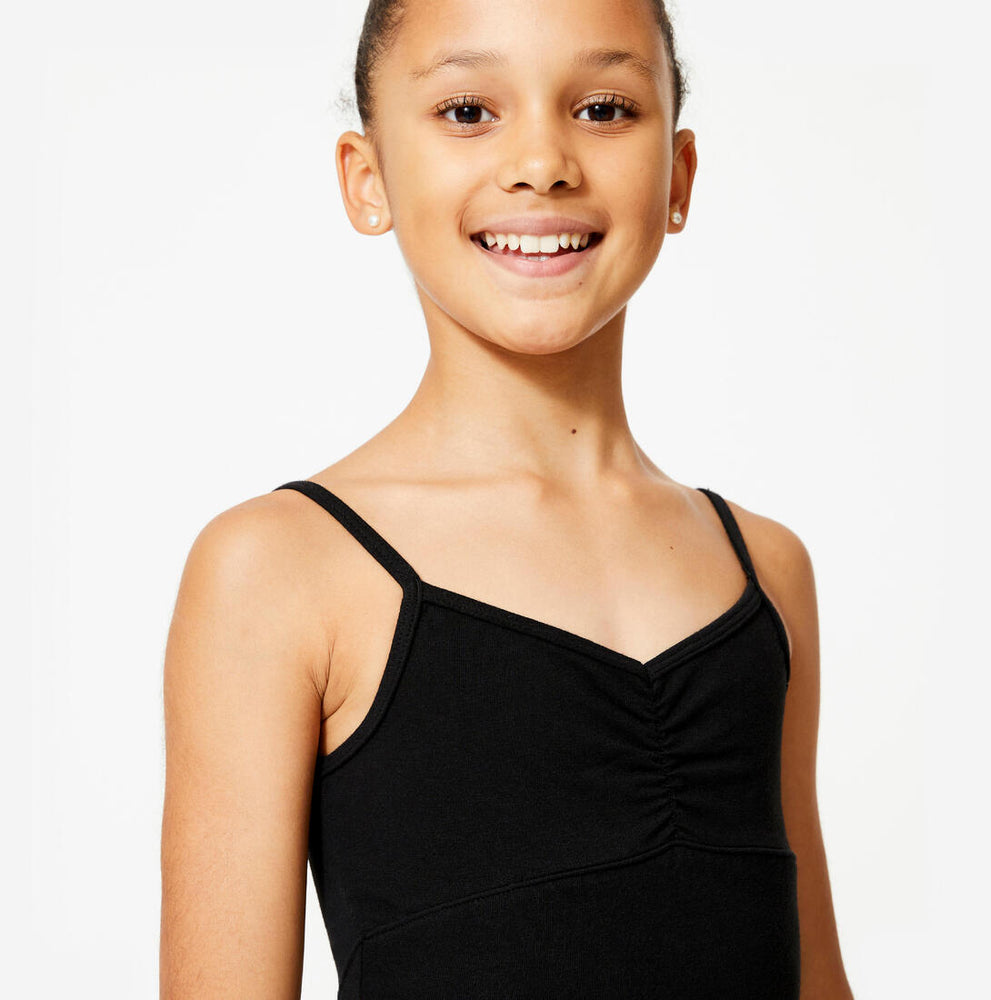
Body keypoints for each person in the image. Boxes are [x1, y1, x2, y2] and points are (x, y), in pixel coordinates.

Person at [159, 0, 855, 997]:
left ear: (678, 176)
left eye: (604, 108)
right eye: (468, 111)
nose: (541, 162)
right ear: (367, 178)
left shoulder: (767, 571)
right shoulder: (277, 570)